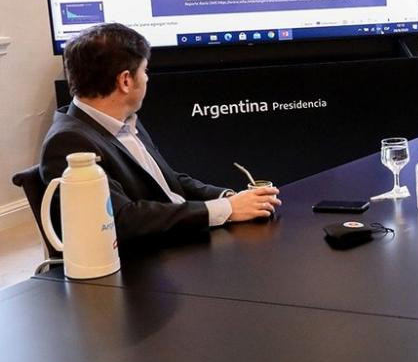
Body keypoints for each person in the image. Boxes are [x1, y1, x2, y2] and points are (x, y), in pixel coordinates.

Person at [40, 23, 280, 248]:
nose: (146, 78)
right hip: (149, 259)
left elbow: (167, 181)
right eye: (145, 70)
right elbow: (122, 220)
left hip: (179, 235)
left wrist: (227, 197)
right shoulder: (68, 143)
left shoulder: (124, 119)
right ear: (125, 80)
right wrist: (225, 209)